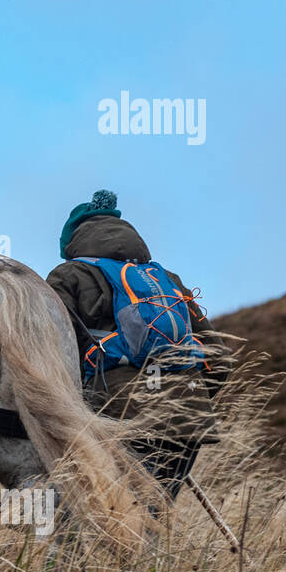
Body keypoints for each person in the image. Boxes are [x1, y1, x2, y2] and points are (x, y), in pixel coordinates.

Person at [46, 190, 227, 497]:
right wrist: (186, 396)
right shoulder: (166, 279)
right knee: (153, 513)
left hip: (113, 417)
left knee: (93, 514)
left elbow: (49, 353)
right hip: (187, 417)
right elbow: (219, 360)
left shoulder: (68, 276)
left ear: (72, 243)